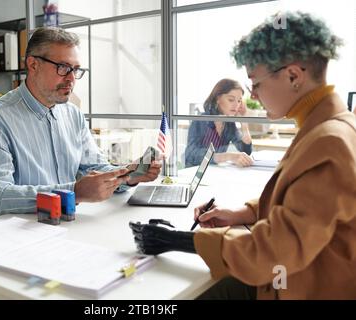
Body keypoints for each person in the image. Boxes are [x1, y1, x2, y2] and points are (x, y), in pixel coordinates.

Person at [130, 11, 356, 299]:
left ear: (293, 75)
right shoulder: (327, 125)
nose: (252, 97)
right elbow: (302, 204)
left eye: (255, 83)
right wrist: (243, 213)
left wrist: (183, 240)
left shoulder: (329, 141)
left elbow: (271, 255)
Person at [0, 27, 161, 219]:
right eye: (63, 67)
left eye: (76, 69)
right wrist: (74, 192)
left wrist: (129, 175)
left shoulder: (73, 114)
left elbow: (95, 167)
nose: (71, 78)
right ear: (33, 65)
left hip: (64, 224)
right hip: (17, 233)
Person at [184, 79, 253, 168]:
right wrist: (227, 156)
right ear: (218, 99)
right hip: (194, 173)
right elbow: (191, 154)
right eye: (231, 100)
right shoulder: (200, 120)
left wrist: (244, 123)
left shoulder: (228, 124)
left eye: (239, 101)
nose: (236, 105)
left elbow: (246, 150)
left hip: (214, 171)